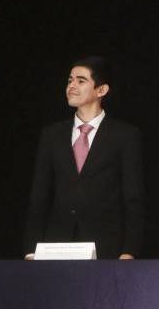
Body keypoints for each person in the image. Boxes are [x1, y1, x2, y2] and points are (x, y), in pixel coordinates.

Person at [24, 57, 144, 259]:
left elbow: (133, 198)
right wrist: (30, 248)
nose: (72, 86)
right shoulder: (52, 134)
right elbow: (39, 196)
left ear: (101, 90)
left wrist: (129, 250)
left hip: (106, 247)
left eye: (81, 81)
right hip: (56, 246)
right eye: (70, 80)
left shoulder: (124, 135)